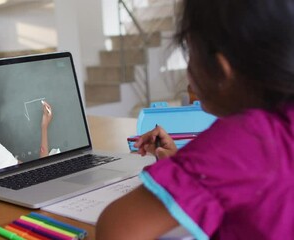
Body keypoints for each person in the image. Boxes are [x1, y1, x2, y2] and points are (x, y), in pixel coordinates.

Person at [96, 0, 294, 239]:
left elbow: (116, 230)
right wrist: (180, 167)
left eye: (189, 52)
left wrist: (192, 168)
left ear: (221, 70)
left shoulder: (244, 139)